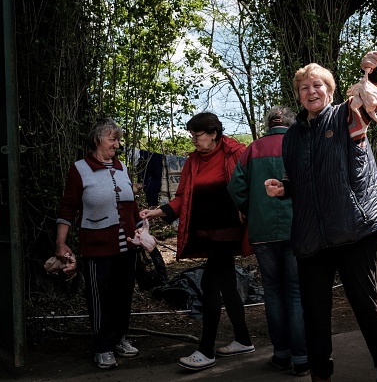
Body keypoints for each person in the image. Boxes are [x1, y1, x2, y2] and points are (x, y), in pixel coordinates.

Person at [264, 51, 377, 382]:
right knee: (314, 312)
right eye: (304, 87)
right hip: (312, 234)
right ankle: (321, 375)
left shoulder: (346, 115)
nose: (311, 91)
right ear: (298, 95)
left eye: (318, 85)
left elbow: (373, 96)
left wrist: (374, 72)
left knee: (365, 303)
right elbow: (301, 179)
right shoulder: (293, 135)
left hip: (352, 226)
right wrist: (284, 189)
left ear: (330, 89)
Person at [140, 112, 254, 372]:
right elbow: (182, 197)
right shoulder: (192, 161)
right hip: (205, 233)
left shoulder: (235, 153)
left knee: (209, 283)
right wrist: (157, 212)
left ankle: (206, 351)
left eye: (197, 135)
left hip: (227, 232)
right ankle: (243, 340)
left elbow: (250, 186)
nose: (193, 140)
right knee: (226, 283)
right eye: (191, 135)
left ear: (213, 133)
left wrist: (246, 208)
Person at [227, 106, 309, 376]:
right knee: (296, 291)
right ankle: (301, 358)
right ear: (290, 122)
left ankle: (281, 354)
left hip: (262, 231)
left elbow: (235, 186)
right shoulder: (299, 143)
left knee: (273, 291)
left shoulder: (252, 149)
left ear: (268, 123)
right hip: (296, 227)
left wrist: (249, 208)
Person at [55, 119, 142, 369]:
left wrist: (142, 232)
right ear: (97, 140)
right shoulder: (80, 169)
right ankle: (102, 346)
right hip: (96, 247)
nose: (117, 144)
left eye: (118, 139)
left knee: (123, 295)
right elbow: (68, 208)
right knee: (99, 296)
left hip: (128, 246)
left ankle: (119, 338)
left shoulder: (122, 167)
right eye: (112, 139)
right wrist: (61, 243)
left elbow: (132, 208)